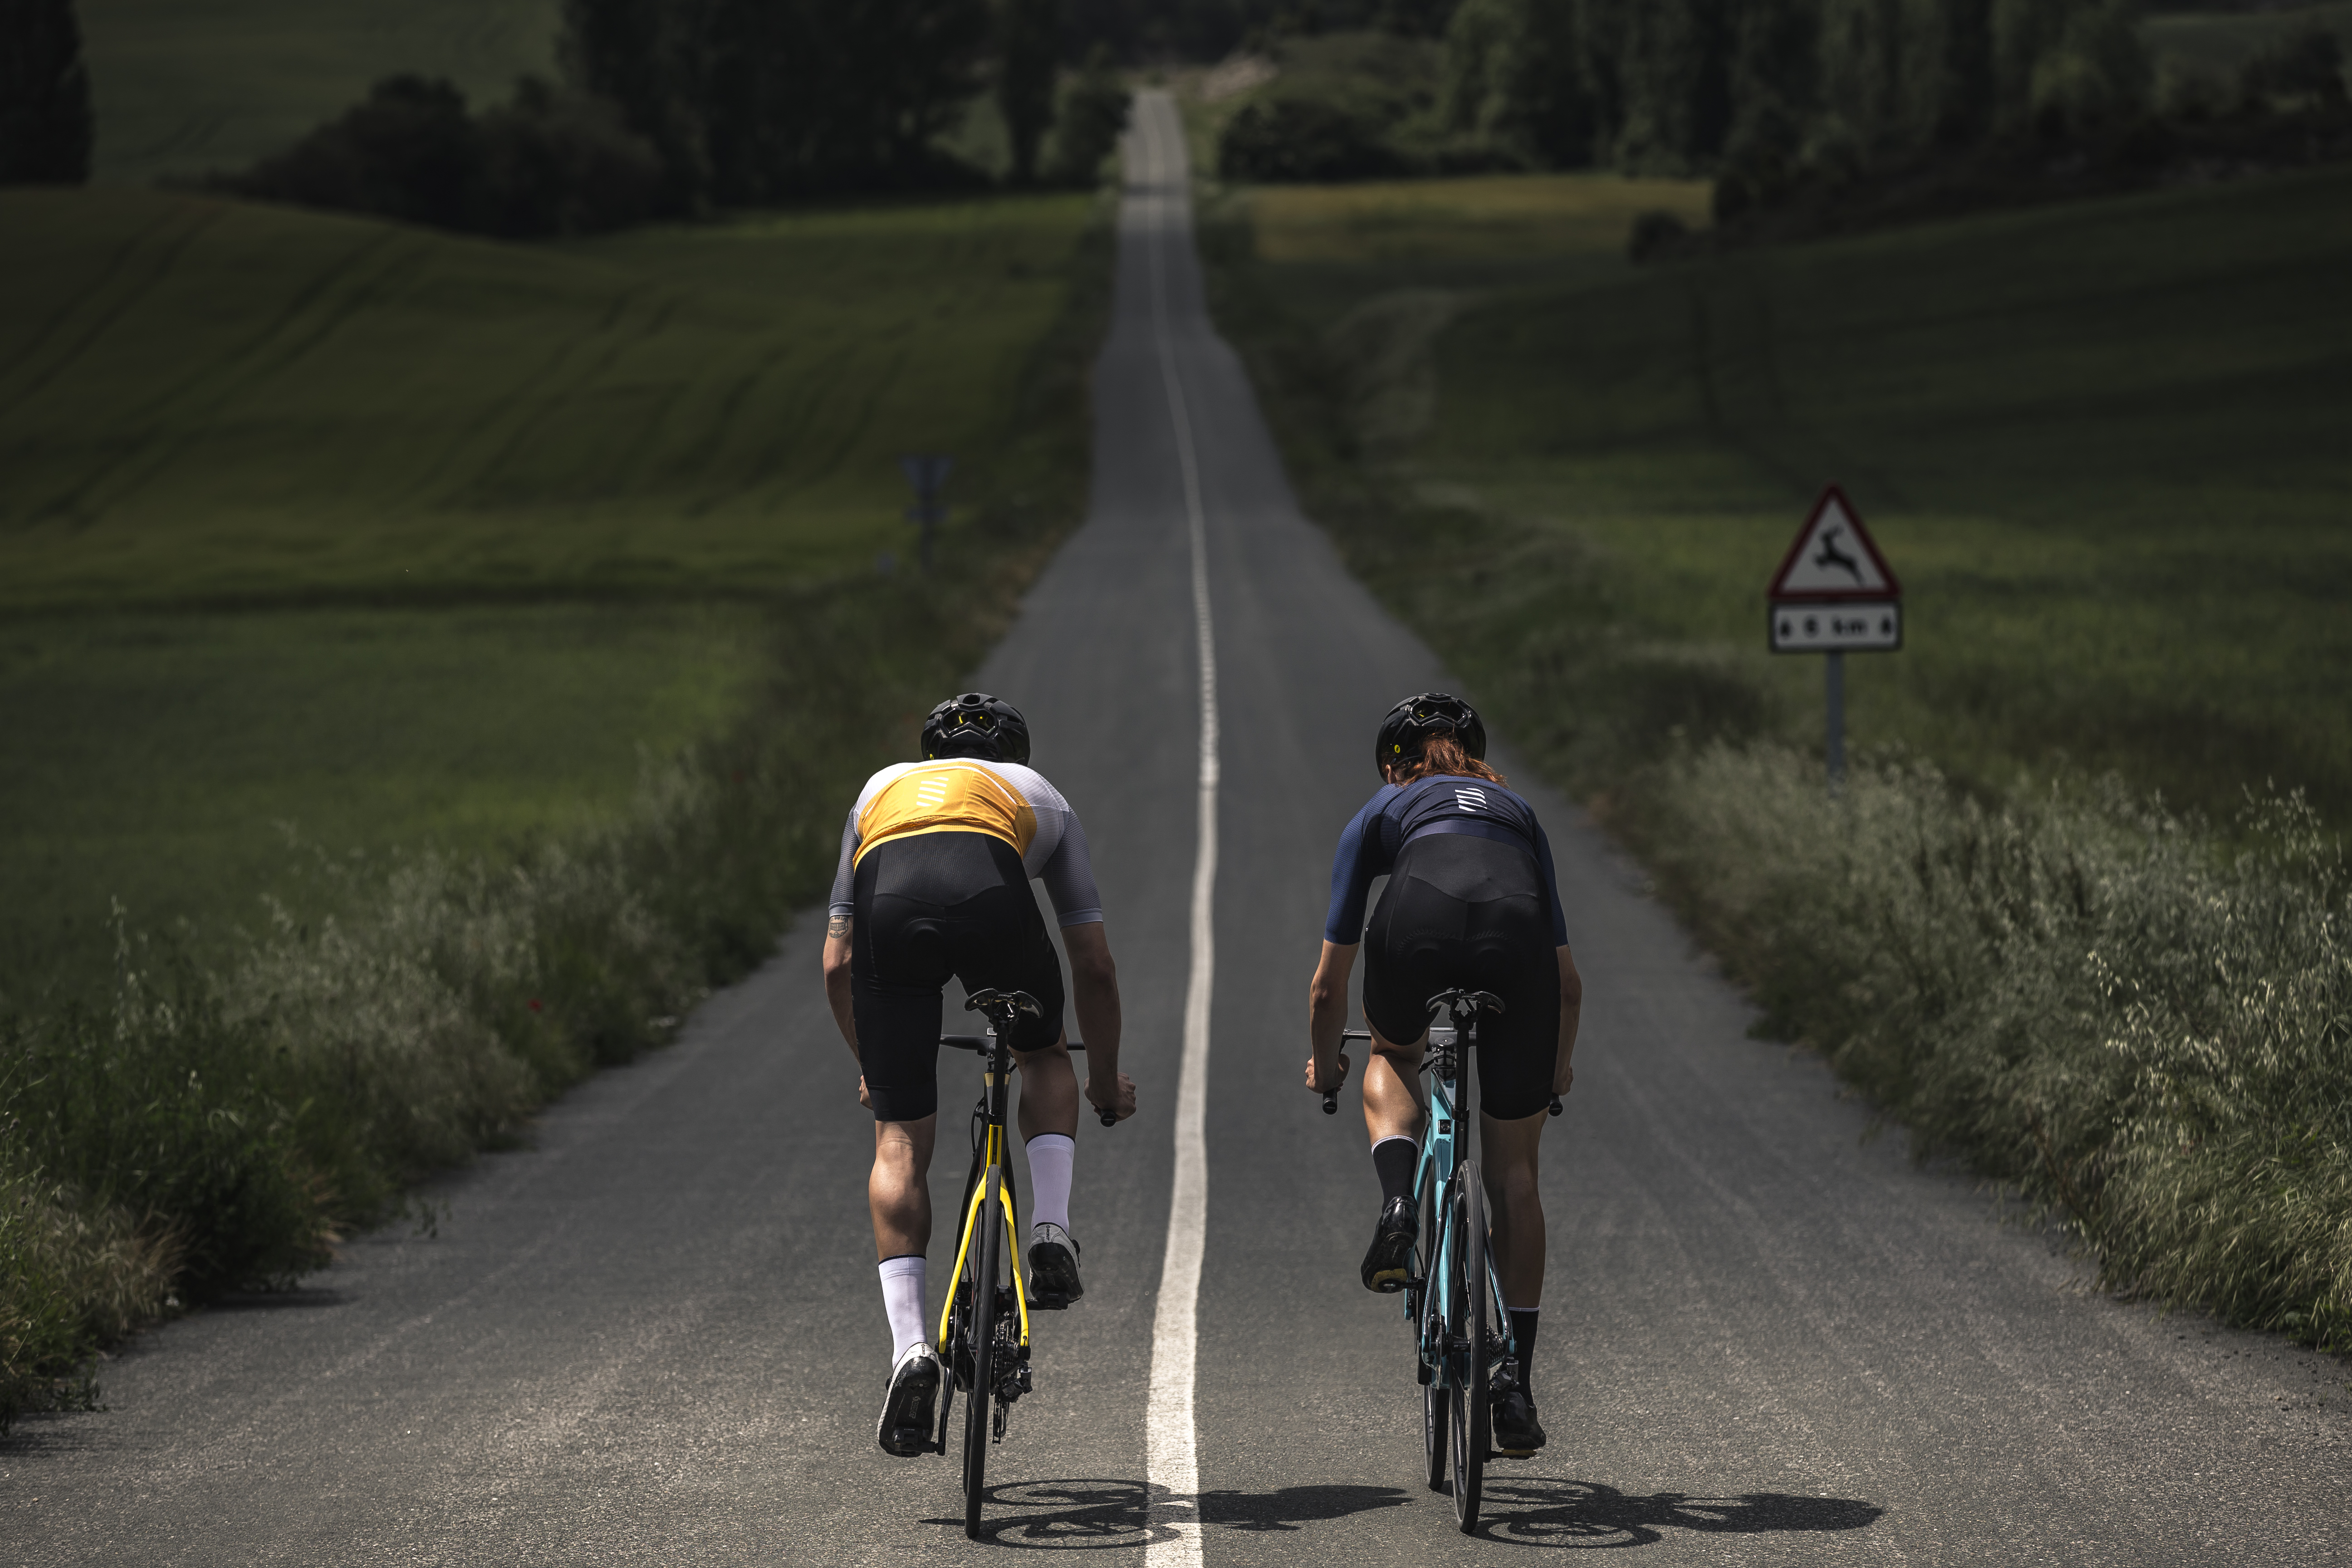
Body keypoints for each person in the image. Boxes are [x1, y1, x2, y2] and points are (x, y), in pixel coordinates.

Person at [822, 692, 1135, 1459]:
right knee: (1043, 1055)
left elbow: (837, 962)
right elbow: (1092, 962)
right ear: (1014, 758)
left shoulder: (877, 789)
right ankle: (1049, 1229)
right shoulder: (1040, 797)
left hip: (889, 908)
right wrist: (1104, 1082)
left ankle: (910, 1351)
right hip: (992, 901)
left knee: (899, 1138)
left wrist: (875, 1067)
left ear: (929, 755)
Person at [1303, 693, 1582, 1458]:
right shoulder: (1517, 811)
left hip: (1416, 917)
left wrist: (1330, 1066)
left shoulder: (1382, 808)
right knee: (1516, 1177)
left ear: (1395, 767)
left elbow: (1329, 987)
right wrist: (1555, 1070)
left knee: (1394, 1054)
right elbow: (1567, 984)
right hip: (1516, 931)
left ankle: (1400, 1206)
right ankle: (1515, 1387)